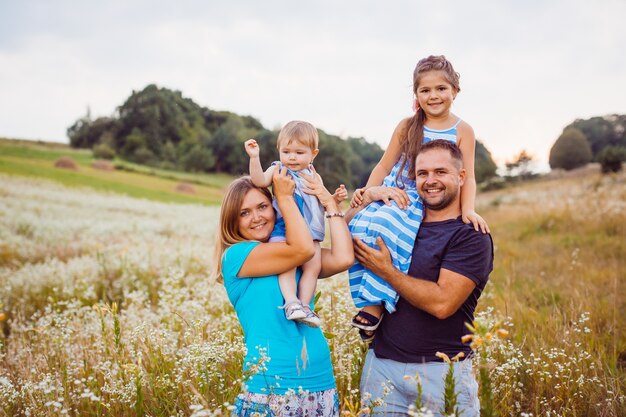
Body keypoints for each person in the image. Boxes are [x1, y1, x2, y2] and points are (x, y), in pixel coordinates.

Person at [348, 55, 489, 340]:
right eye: (425, 90)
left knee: (391, 230)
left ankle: (375, 306)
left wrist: (468, 210)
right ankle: (367, 300)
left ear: (455, 91)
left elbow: (468, 175)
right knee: (357, 228)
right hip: (392, 189)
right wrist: (367, 193)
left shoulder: (463, 130)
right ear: (416, 94)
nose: (433, 96)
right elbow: (384, 165)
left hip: (419, 198)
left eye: (441, 89)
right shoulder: (407, 126)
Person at [349, 140, 494, 416]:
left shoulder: (470, 235)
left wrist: (386, 271)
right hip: (381, 368)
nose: (430, 181)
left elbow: (442, 303)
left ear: (461, 177)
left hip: (441, 373)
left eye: (441, 172)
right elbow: (344, 237)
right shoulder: (400, 220)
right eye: (422, 173)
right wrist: (367, 196)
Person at [214, 167, 353, 416]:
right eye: (244, 213)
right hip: (271, 387)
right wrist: (286, 197)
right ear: (232, 221)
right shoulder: (237, 256)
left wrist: (330, 205)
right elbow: (302, 250)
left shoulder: (293, 251)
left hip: (321, 383)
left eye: (263, 207)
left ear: (273, 208)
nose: (256, 217)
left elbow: (343, 258)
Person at [244, 120, 347, 328]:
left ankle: (306, 306)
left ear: (313, 154)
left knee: (313, 268)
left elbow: (320, 200)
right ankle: (291, 302)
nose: (292, 157)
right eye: (286, 151)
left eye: (299, 153)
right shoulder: (278, 169)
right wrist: (254, 158)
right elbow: (258, 181)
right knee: (288, 265)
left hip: (313, 232)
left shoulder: (313, 175)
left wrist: (334, 199)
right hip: (285, 229)